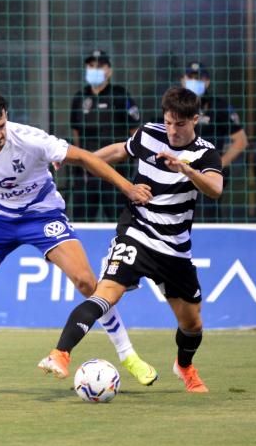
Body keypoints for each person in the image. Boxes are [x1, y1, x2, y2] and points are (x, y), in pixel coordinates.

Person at [0, 91, 158, 396]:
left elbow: (85, 158)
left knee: (87, 281)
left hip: (43, 216)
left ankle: (129, 357)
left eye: (1, 125)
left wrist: (128, 188)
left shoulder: (31, 139)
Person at [39, 86, 224, 393]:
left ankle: (185, 366)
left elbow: (215, 189)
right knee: (105, 293)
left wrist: (187, 170)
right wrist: (79, 159)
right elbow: (117, 151)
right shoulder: (148, 134)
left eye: (180, 124)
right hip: (135, 233)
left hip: (174, 249)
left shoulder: (206, 153)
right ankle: (60, 354)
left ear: (195, 119)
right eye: (168, 122)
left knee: (192, 324)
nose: (173, 130)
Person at [70, 49, 142, 221]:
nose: (95, 69)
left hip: (116, 171)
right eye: (91, 65)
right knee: (82, 222)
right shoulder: (80, 98)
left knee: (120, 220)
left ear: (109, 70)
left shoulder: (119, 95)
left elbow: (136, 133)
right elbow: (76, 134)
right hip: (86, 173)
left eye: (100, 66)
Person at [180, 61, 248, 221]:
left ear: (207, 81)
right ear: (183, 79)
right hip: (180, 173)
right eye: (191, 77)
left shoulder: (219, 106)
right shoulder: (176, 107)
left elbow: (241, 141)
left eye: (199, 78)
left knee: (207, 218)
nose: (194, 81)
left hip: (208, 174)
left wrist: (218, 164)